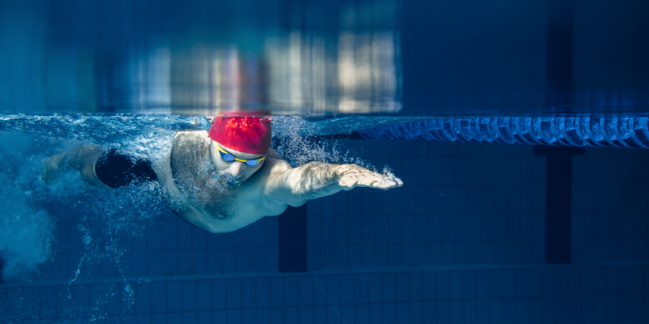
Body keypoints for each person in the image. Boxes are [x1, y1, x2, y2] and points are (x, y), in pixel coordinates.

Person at [43, 115, 403, 233]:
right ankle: (66, 159)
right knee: (96, 173)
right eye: (228, 156)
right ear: (209, 140)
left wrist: (338, 174)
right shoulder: (183, 135)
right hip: (160, 172)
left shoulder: (267, 178)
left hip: (182, 200)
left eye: (250, 161)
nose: (237, 172)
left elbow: (298, 182)